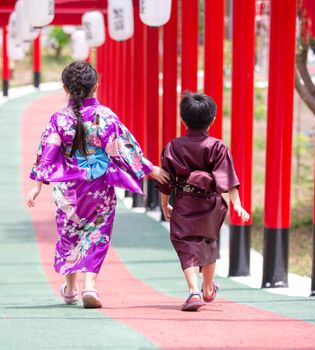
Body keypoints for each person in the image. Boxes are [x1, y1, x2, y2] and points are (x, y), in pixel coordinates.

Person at [25, 61, 169, 309]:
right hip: (98, 188)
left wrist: (38, 184)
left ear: (65, 89)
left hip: (67, 189)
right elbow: (123, 149)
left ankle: (71, 289)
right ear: (96, 86)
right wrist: (152, 170)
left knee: (70, 233)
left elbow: (47, 151)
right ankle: (90, 285)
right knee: (98, 233)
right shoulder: (105, 116)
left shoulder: (59, 119)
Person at [157, 92, 250, 312]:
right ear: (213, 119)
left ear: (183, 119)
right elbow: (228, 179)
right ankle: (208, 288)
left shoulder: (173, 146)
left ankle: (193, 291)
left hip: (185, 202)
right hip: (211, 203)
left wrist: (164, 204)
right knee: (208, 243)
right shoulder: (218, 147)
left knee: (185, 244)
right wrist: (237, 205)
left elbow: (166, 179)